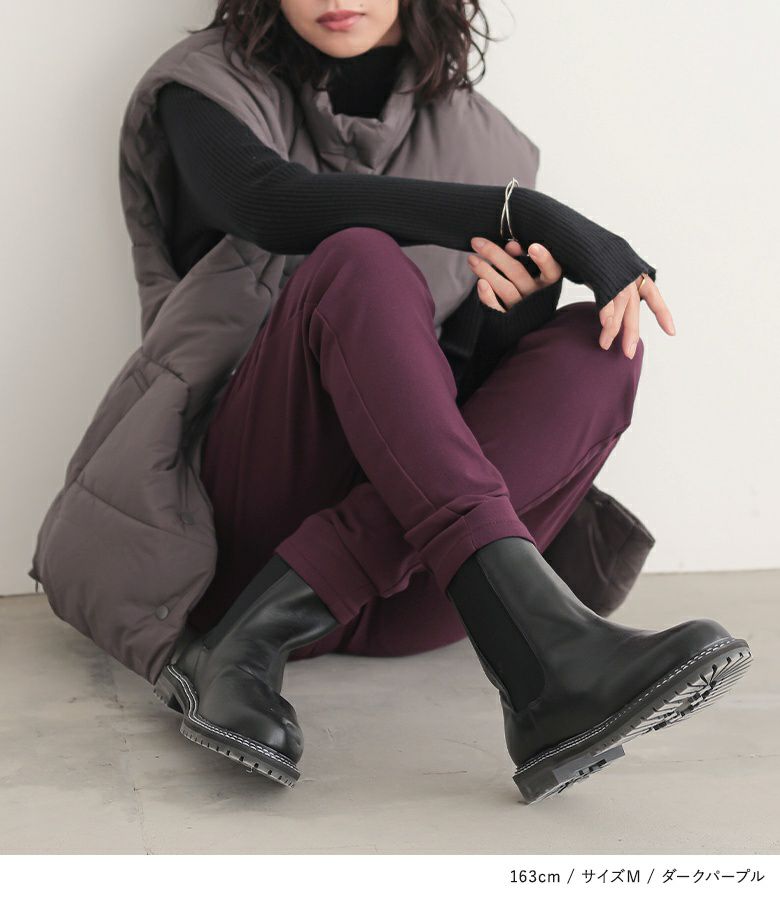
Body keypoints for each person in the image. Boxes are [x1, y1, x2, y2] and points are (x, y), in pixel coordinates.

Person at [150, 0, 752, 803]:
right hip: (248, 538)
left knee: (601, 345)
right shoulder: (203, 87)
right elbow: (269, 202)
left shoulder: (489, 141)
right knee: (359, 258)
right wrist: (516, 213)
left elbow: (470, 397)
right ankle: (546, 667)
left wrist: (513, 313)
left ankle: (525, 684)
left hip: (423, 588)